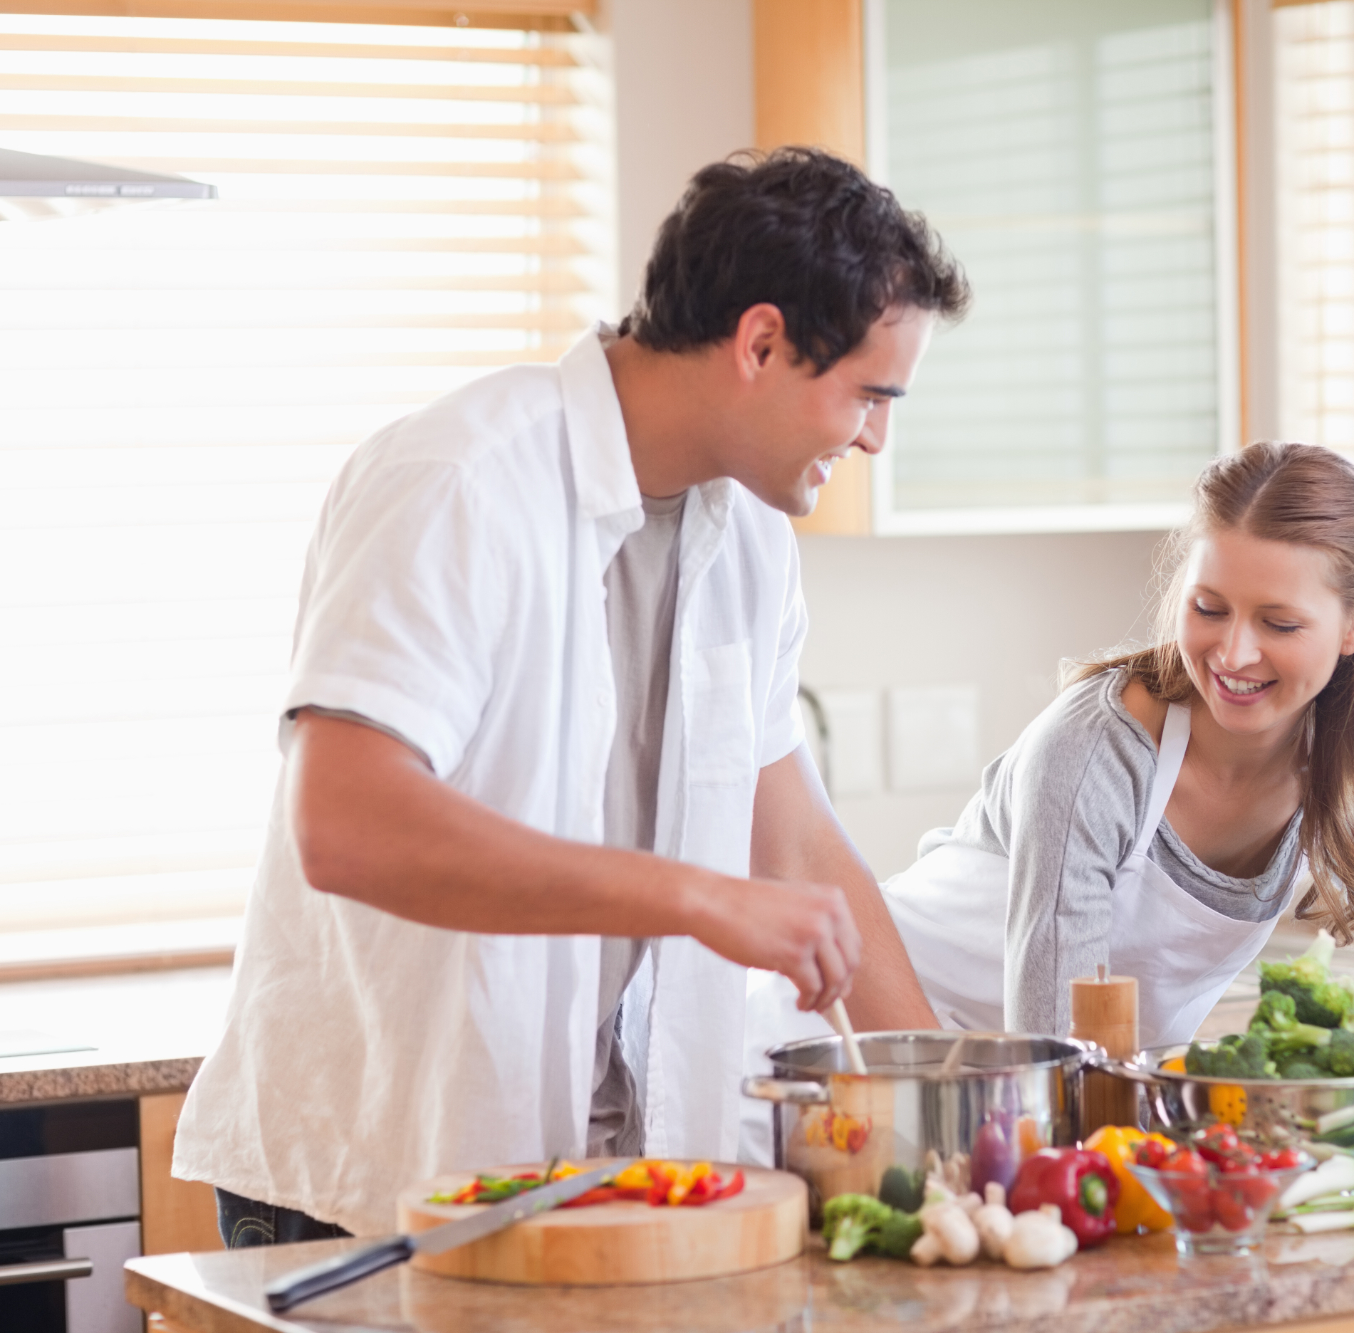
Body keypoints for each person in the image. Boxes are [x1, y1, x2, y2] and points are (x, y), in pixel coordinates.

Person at [173, 148, 966, 1243]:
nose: (877, 435)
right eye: (869, 394)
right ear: (761, 342)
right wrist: (692, 895)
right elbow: (345, 826)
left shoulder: (747, 536)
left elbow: (795, 847)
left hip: (603, 1178)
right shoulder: (459, 479)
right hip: (371, 1182)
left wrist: (959, 1138)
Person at [879, 443, 1354, 1096]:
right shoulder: (1095, 752)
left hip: (1060, 1097)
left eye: (1279, 622)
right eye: (1209, 608)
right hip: (879, 1043)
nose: (1234, 652)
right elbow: (1057, 1053)